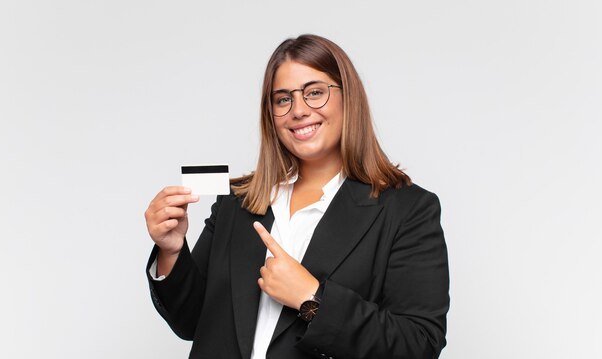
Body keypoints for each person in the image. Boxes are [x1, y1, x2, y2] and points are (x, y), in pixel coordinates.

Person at [144, 34, 449, 359]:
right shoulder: (237, 202)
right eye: (282, 99)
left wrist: (312, 299)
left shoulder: (407, 210)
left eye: (315, 93)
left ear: (349, 98)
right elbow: (191, 323)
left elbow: (418, 345)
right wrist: (172, 251)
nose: (298, 110)